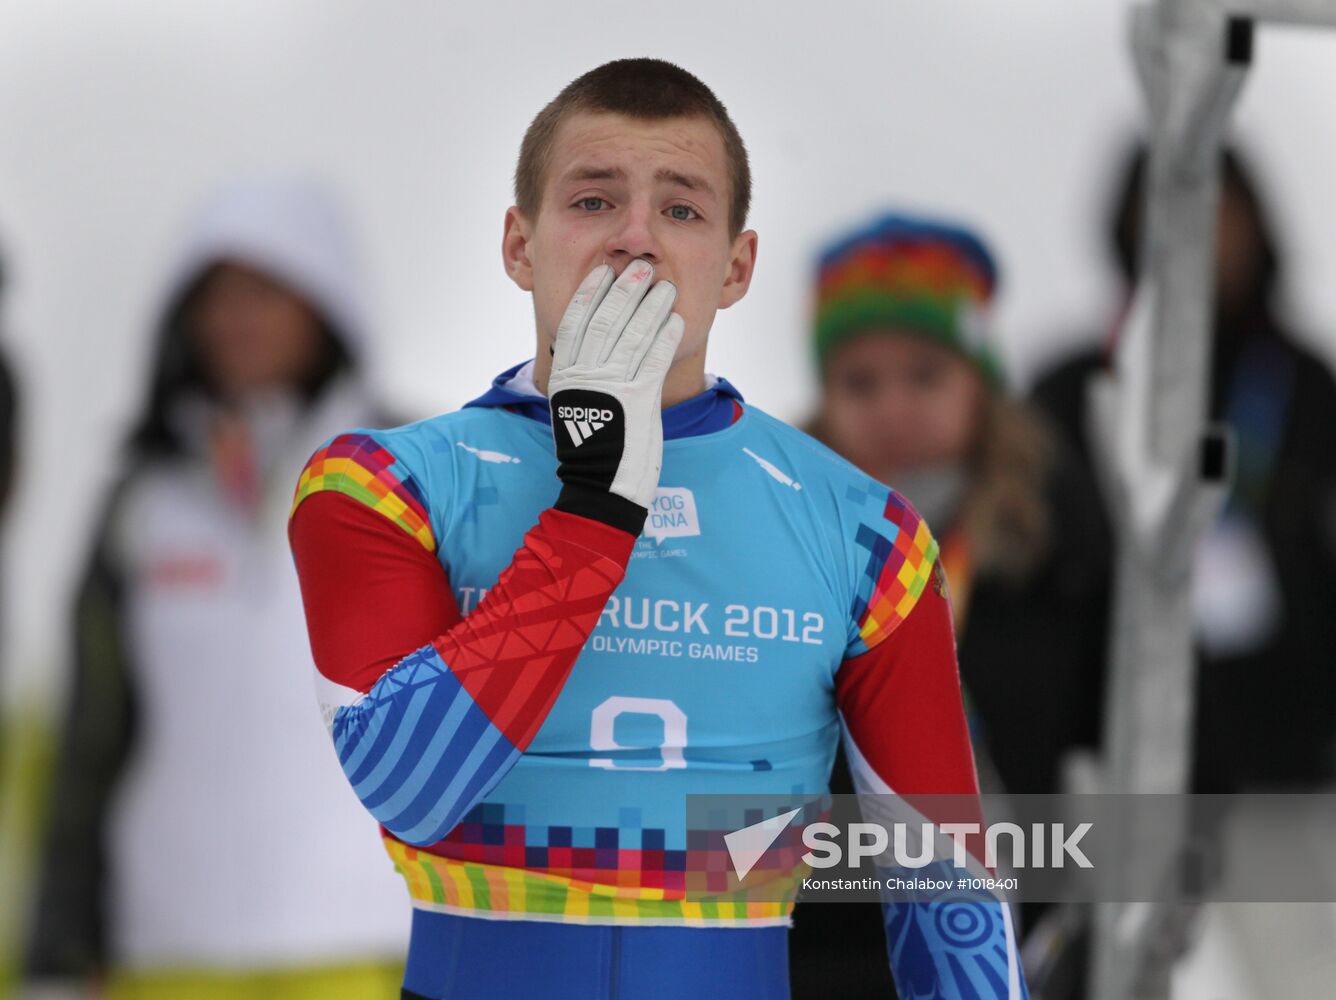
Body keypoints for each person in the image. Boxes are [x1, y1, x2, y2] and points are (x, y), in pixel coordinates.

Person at [288, 59, 1028, 1000]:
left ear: (737, 266)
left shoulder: (862, 529)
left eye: (681, 211)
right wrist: (597, 504)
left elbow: (944, 884)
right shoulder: (384, 485)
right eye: (593, 201)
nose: (635, 240)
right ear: (519, 244)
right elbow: (410, 785)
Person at [23, 177, 409, 999]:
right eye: (215, 295)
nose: (237, 318)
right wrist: (55, 952)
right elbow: (93, 733)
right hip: (172, 943)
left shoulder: (412, 472)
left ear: (327, 304)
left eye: (266, 291)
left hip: (365, 935)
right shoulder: (144, 501)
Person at [788, 213, 1110, 997]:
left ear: (981, 384)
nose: (893, 406)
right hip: (819, 942)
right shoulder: (781, 530)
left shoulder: (1057, 530)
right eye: (860, 382)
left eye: (925, 374)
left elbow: (1136, 709)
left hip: (1026, 934)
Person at [1031, 145, 1336, 792]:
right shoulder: (1072, 391)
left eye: (1218, 212)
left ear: (1256, 225)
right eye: (1168, 211)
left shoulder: (1310, 389)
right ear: (1130, 226)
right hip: (1112, 756)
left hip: (1292, 757)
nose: (1196, 236)